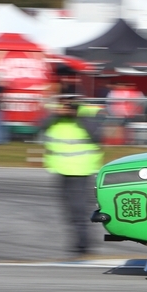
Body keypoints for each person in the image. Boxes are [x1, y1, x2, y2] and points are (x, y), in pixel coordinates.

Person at [43, 94, 104, 255]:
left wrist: (77, 115)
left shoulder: (86, 113)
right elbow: (40, 125)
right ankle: (79, 241)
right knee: (68, 210)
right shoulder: (55, 114)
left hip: (80, 170)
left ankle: (83, 244)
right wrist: (56, 114)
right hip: (60, 169)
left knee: (79, 210)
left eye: (70, 102)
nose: (66, 105)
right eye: (63, 101)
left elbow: (96, 135)